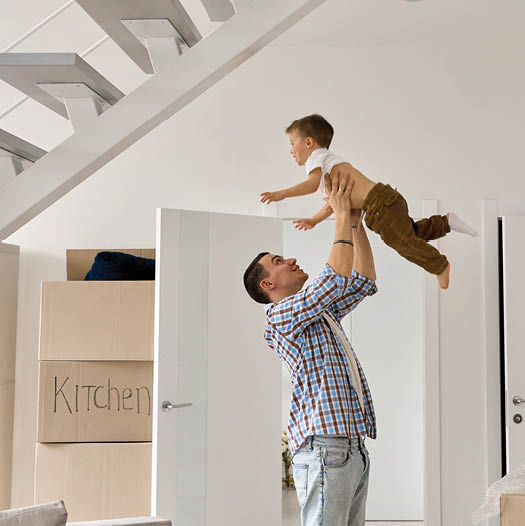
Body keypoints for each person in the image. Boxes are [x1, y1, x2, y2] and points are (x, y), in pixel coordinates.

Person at [244, 172, 378, 526]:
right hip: (325, 449)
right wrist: (337, 216)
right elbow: (334, 277)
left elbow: (363, 280)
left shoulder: (318, 311)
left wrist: (354, 224)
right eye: (278, 261)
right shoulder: (280, 315)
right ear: (268, 284)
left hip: (351, 446)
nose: (289, 260)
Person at [260, 114, 478, 289]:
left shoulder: (317, 158)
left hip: (378, 205)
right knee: (411, 234)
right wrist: (314, 220)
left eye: (292, 143)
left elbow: (311, 184)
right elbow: (336, 203)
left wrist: (282, 194)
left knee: (403, 243)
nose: (291, 150)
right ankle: (445, 222)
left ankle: (439, 265)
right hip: (384, 201)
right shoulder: (329, 164)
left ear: (309, 142)